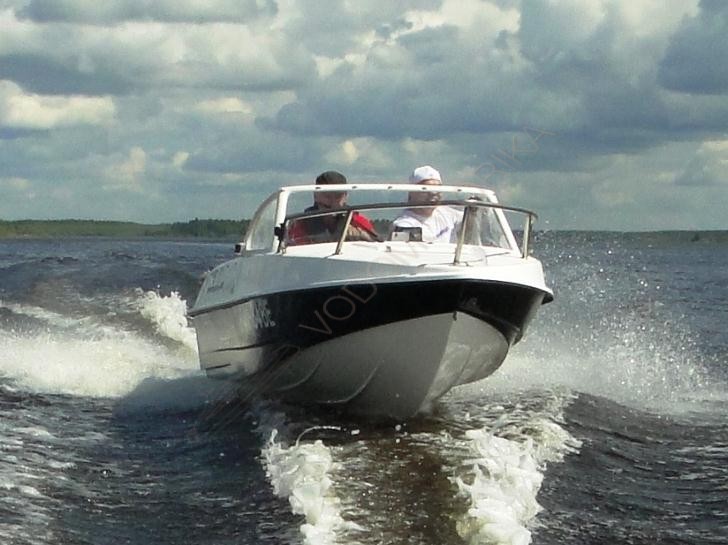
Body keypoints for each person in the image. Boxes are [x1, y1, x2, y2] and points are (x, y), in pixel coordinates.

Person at [287, 170, 379, 245]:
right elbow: (293, 248)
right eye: (327, 195)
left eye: (338, 195)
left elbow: (378, 244)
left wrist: (362, 236)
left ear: (345, 196)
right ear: (315, 195)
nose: (333, 200)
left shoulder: (357, 220)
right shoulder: (302, 223)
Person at [392, 165, 463, 242]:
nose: (434, 193)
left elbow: (468, 219)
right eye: (426, 189)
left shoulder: (447, 214)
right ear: (412, 193)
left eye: (438, 189)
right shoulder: (403, 224)